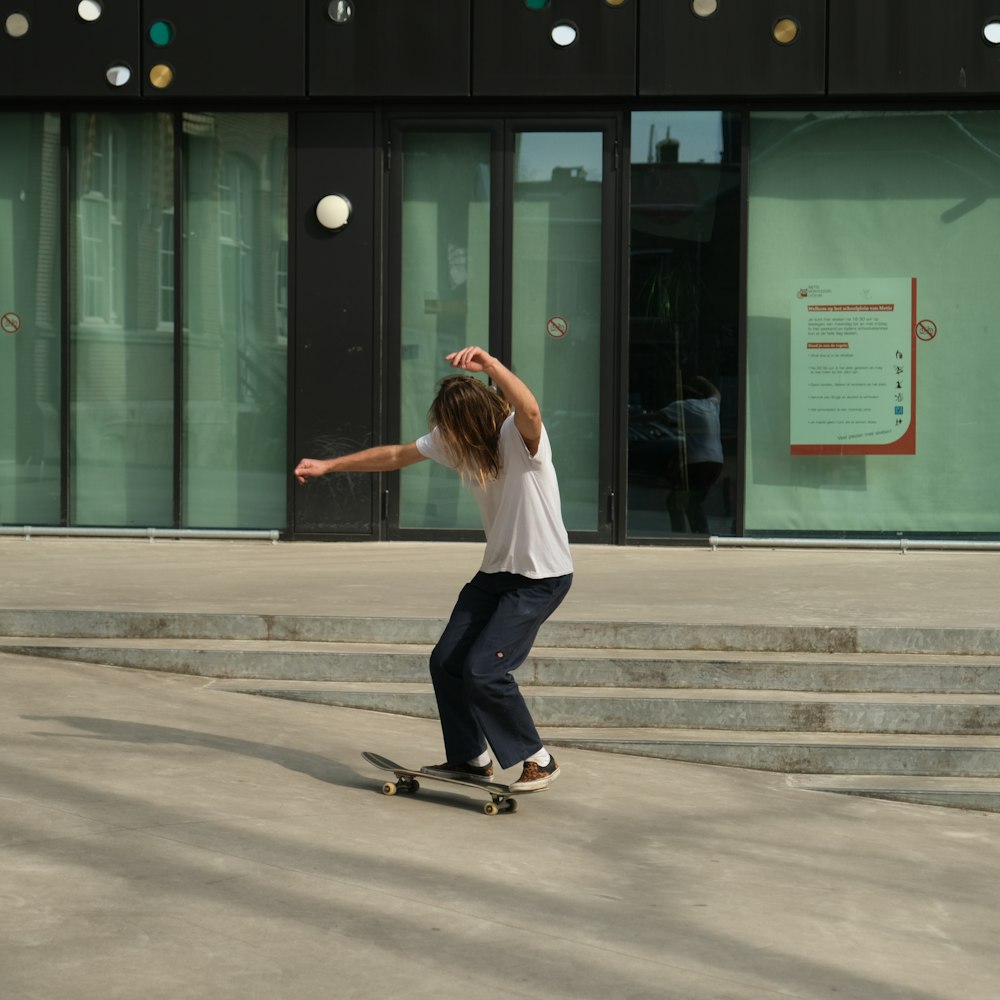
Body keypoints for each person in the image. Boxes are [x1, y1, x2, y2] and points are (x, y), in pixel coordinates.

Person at [294, 346, 573, 791]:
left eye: (451, 429)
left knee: (484, 670)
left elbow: (531, 408)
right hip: (496, 573)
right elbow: (394, 456)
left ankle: (538, 758)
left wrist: (493, 367)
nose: (445, 439)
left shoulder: (517, 438)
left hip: (540, 578)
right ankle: (470, 758)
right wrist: (330, 465)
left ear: (472, 424)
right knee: (446, 662)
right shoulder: (454, 441)